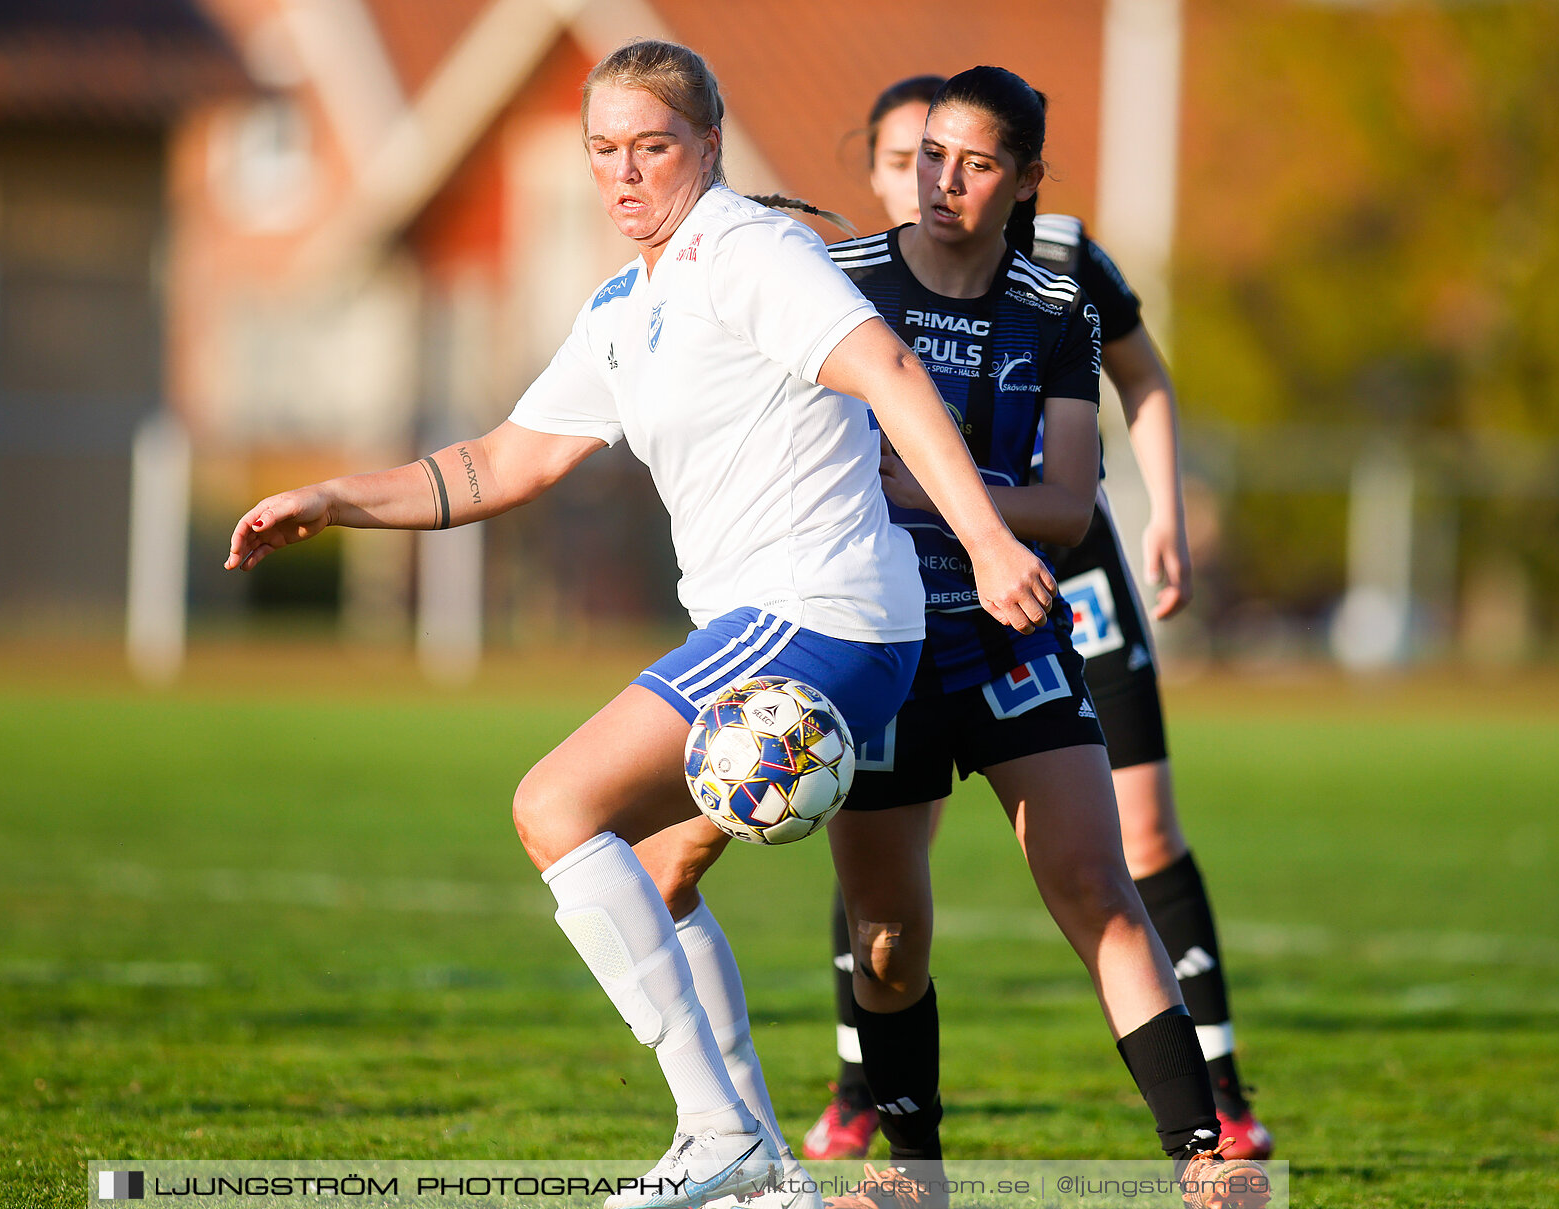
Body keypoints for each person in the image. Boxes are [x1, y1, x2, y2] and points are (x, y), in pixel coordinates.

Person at [225, 40, 1056, 1209]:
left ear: (708, 147)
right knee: (654, 878)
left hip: (822, 614)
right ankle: (763, 1174)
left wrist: (987, 537)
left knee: (552, 805)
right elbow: (507, 461)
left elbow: (891, 372)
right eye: (603, 153)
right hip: (761, 623)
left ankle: (718, 1131)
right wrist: (335, 498)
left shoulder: (749, 252)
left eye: (651, 148)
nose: (624, 175)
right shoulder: (627, 304)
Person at [800, 74, 1273, 1169]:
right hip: (883, 646)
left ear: (1025, 180)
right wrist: (950, 502)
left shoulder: (1056, 306)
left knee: (1101, 889)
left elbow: (1065, 506)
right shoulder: (840, 284)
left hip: (1014, 645)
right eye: (928, 156)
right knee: (886, 936)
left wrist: (915, 483)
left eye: (973, 163)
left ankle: (1203, 1155)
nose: (942, 182)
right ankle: (913, 1168)